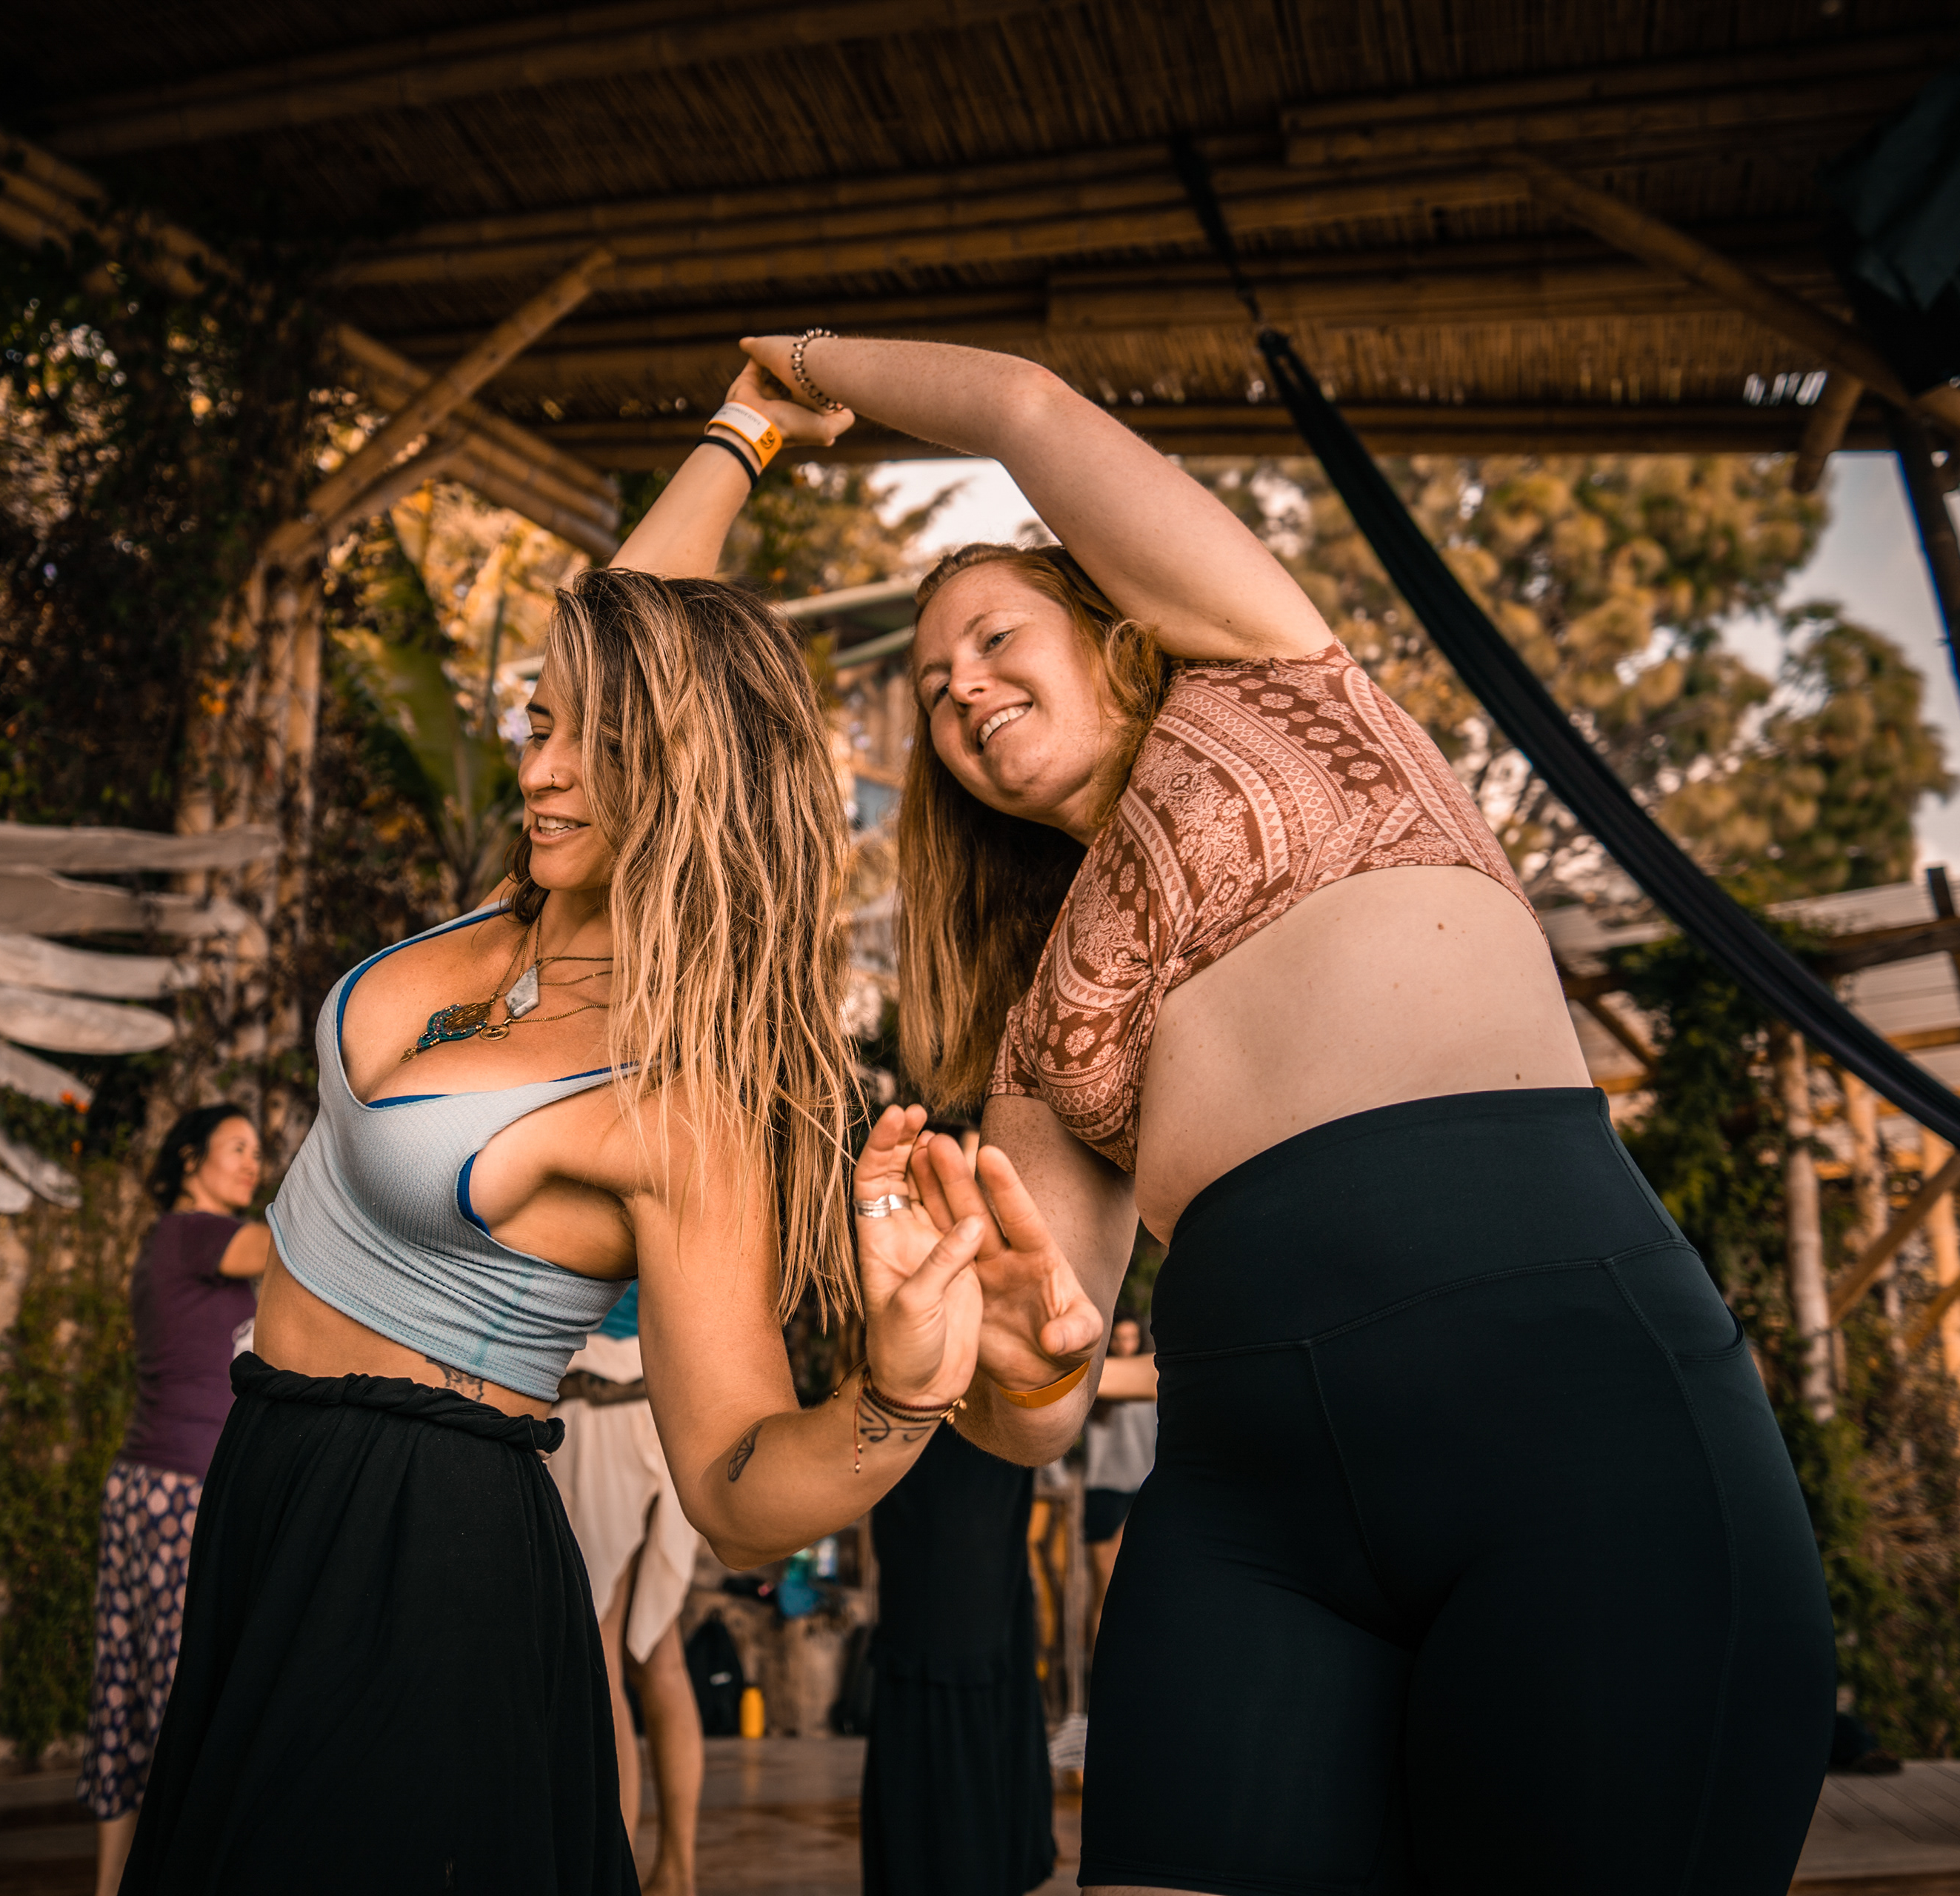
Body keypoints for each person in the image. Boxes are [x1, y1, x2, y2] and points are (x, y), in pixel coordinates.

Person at [776, 331, 1838, 1896]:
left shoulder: (1268, 677)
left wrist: (804, 363)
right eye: (933, 691)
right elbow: (1036, 1412)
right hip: (1249, 1519)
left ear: (1109, 626)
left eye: (994, 640)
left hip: (1575, 1430)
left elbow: (1022, 406)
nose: (963, 691)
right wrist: (1006, 1348)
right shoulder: (1038, 1036)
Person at [117, 364, 1027, 1895]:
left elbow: (735, 1481)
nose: (541, 767)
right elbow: (621, 622)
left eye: (587, 744)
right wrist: (744, 428)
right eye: (540, 723)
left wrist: (901, 1396)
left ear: (684, 775)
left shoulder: (680, 1097)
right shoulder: (520, 915)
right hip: (269, 1490)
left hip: (423, 1547)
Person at [84, 1104, 273, 1896]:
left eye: (258, 1151)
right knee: (182, 1696)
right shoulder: (196, 1233)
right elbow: (286, 1245)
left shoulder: (170, 1240)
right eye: (237, 1147)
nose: (253, 1163)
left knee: (128, 1695)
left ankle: (112, 1885)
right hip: (184, 1492)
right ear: (190, 1158)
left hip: (147, 1484)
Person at [547, 1281, 707, 1896]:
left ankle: (617, 1878)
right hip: (663, 1405)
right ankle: (678, 1872)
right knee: (661, 1656)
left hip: (602, 1405)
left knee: (604, 1656)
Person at [859, 1424, 1056, 1896]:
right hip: (931, 1441)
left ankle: (962, 1866)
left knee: (966, 1635)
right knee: (944, 1634)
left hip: (976, 1444)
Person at [1079, 1315, 1156, 1651]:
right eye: (1119, 1338)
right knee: (1104, 1590)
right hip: (1104, 1490)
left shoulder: (1156, 1378)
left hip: (1143, 1488)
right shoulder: (1092, 1383)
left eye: (1131, 1338)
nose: (1125, 1345)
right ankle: (1095, 1670)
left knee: (1141, 1590)